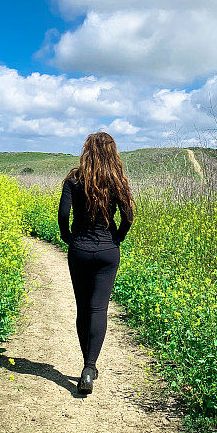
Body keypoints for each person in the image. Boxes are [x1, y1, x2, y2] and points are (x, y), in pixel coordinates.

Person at [57, 132, 134, 394]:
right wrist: (116, 239)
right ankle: (90, 367)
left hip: (79, 248)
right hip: (107, 251)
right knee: (98, 309)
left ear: (86, 151)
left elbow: (63, 214)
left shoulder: (73, 179)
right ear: (112, 152)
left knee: (82, 308)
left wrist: (69, 237)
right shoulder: (117, 180)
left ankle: (86, 363)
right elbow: (128, 217)